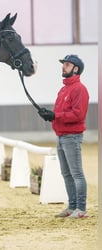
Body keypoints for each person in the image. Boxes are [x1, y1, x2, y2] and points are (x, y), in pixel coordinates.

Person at [38, 54, 89, 218]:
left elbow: (78, 115)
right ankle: (72, 206)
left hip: (71, 137)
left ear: (75, 69)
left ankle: (81, 209)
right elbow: (61, 112)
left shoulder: (79, 89)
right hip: (61, 136)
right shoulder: (64, 89)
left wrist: (55, 116)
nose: (63, 67)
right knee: (66, 174)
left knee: (76, 174)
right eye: (63, 64)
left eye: (67, 65)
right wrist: (50, 115)